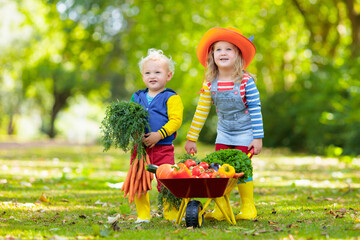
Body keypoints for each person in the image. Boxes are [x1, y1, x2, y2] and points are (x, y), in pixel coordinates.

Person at [185, 27, 264, 220]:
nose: (223, 53)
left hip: (246, 132)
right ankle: (221, 209)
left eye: (229, 49)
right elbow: (202, 111)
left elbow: (255, 108)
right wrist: (191, 138)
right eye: (218, 49)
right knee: (219, 168)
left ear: (238, 54)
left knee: (242, 167)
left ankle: (248, 207)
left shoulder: (246, 81)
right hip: (225, 132)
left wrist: (257, 137)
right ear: (212, 56)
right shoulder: (209, 82)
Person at [131, 48, 183, 223]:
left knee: (167, 179)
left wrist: (159, 135)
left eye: (157, 72)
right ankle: (143, 215)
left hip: (163, 147)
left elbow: (175, 121)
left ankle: (171, 213)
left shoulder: (171, 97)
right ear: (142, 75)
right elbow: (130, 118)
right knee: (139, 181)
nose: (152, 76)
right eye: (148, 72)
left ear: (168, 76)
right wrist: (136, 134)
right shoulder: (137, 96)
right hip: (140, 149)